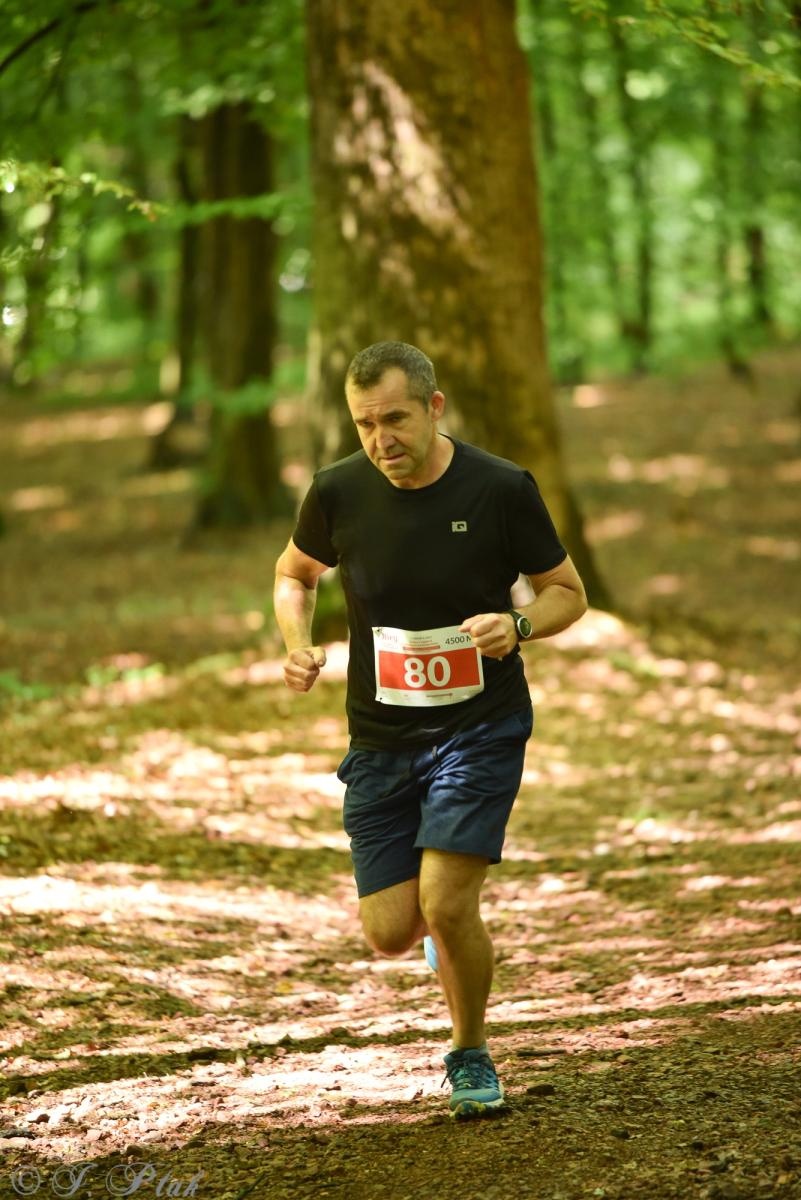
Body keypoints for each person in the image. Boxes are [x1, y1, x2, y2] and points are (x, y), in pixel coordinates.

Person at [273, 341, 587, 1119]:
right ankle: (434, 938)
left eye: (395, 419)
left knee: (447, 904)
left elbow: (565, 592)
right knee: (388, 933)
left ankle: (469, 1051)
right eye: (365, 424)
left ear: (433, 407)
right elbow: (293, 573)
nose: (381, 439)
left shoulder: (499, 487)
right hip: (381, 738)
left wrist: (518, 624)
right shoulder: (337, 491)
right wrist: (296, 643)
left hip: (480, 726)